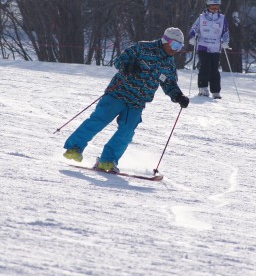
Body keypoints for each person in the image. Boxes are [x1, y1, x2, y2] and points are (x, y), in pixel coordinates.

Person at [63, 27, 190, 173]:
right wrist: (128, 66)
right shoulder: (142, 48)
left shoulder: (169, 64)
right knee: (98, 121)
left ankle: (107, 161)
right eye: (174, 45)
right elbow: (119, 61)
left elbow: (169, 83)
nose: (176, 49)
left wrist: (178, 96)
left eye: (179, 47)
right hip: (118, 94)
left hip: (137, 101)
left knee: (127, 131)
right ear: (165, 41)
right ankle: (74, 148)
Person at [188, 0, 230, 99]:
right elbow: (194, 28)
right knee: (205, 66)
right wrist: (192, 37)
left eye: (217, 7)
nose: (215, 9)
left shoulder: (222, 18)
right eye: (212, 7)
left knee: (214, 69)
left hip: (216, 47)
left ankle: (215, 91)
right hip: (203, 46)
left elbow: (226, 31)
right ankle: (203, 88)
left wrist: (225, 41)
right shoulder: (202, 18)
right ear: (208, 7)